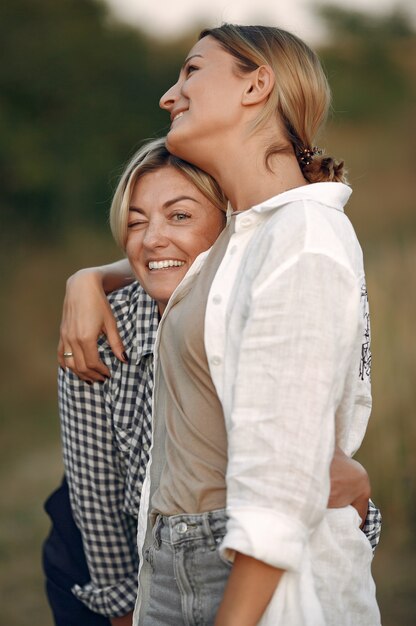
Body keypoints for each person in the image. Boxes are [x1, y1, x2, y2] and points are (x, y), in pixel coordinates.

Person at [54, 24, 382, 624]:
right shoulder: (242, 240)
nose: (169, 95)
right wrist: (92, 278)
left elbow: (278, 487)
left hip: (242, 567)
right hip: (166, 559)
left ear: (257, 84)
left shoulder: (303, 238)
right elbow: (176, 254)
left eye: (192, 71)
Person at [43, 137, 227, 625]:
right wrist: (124, 610)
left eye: (180, 215)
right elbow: (94, 493)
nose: (150, 239)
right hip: (106, 559)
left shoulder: (254, 313)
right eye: (135, 222)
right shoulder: (101, 330)